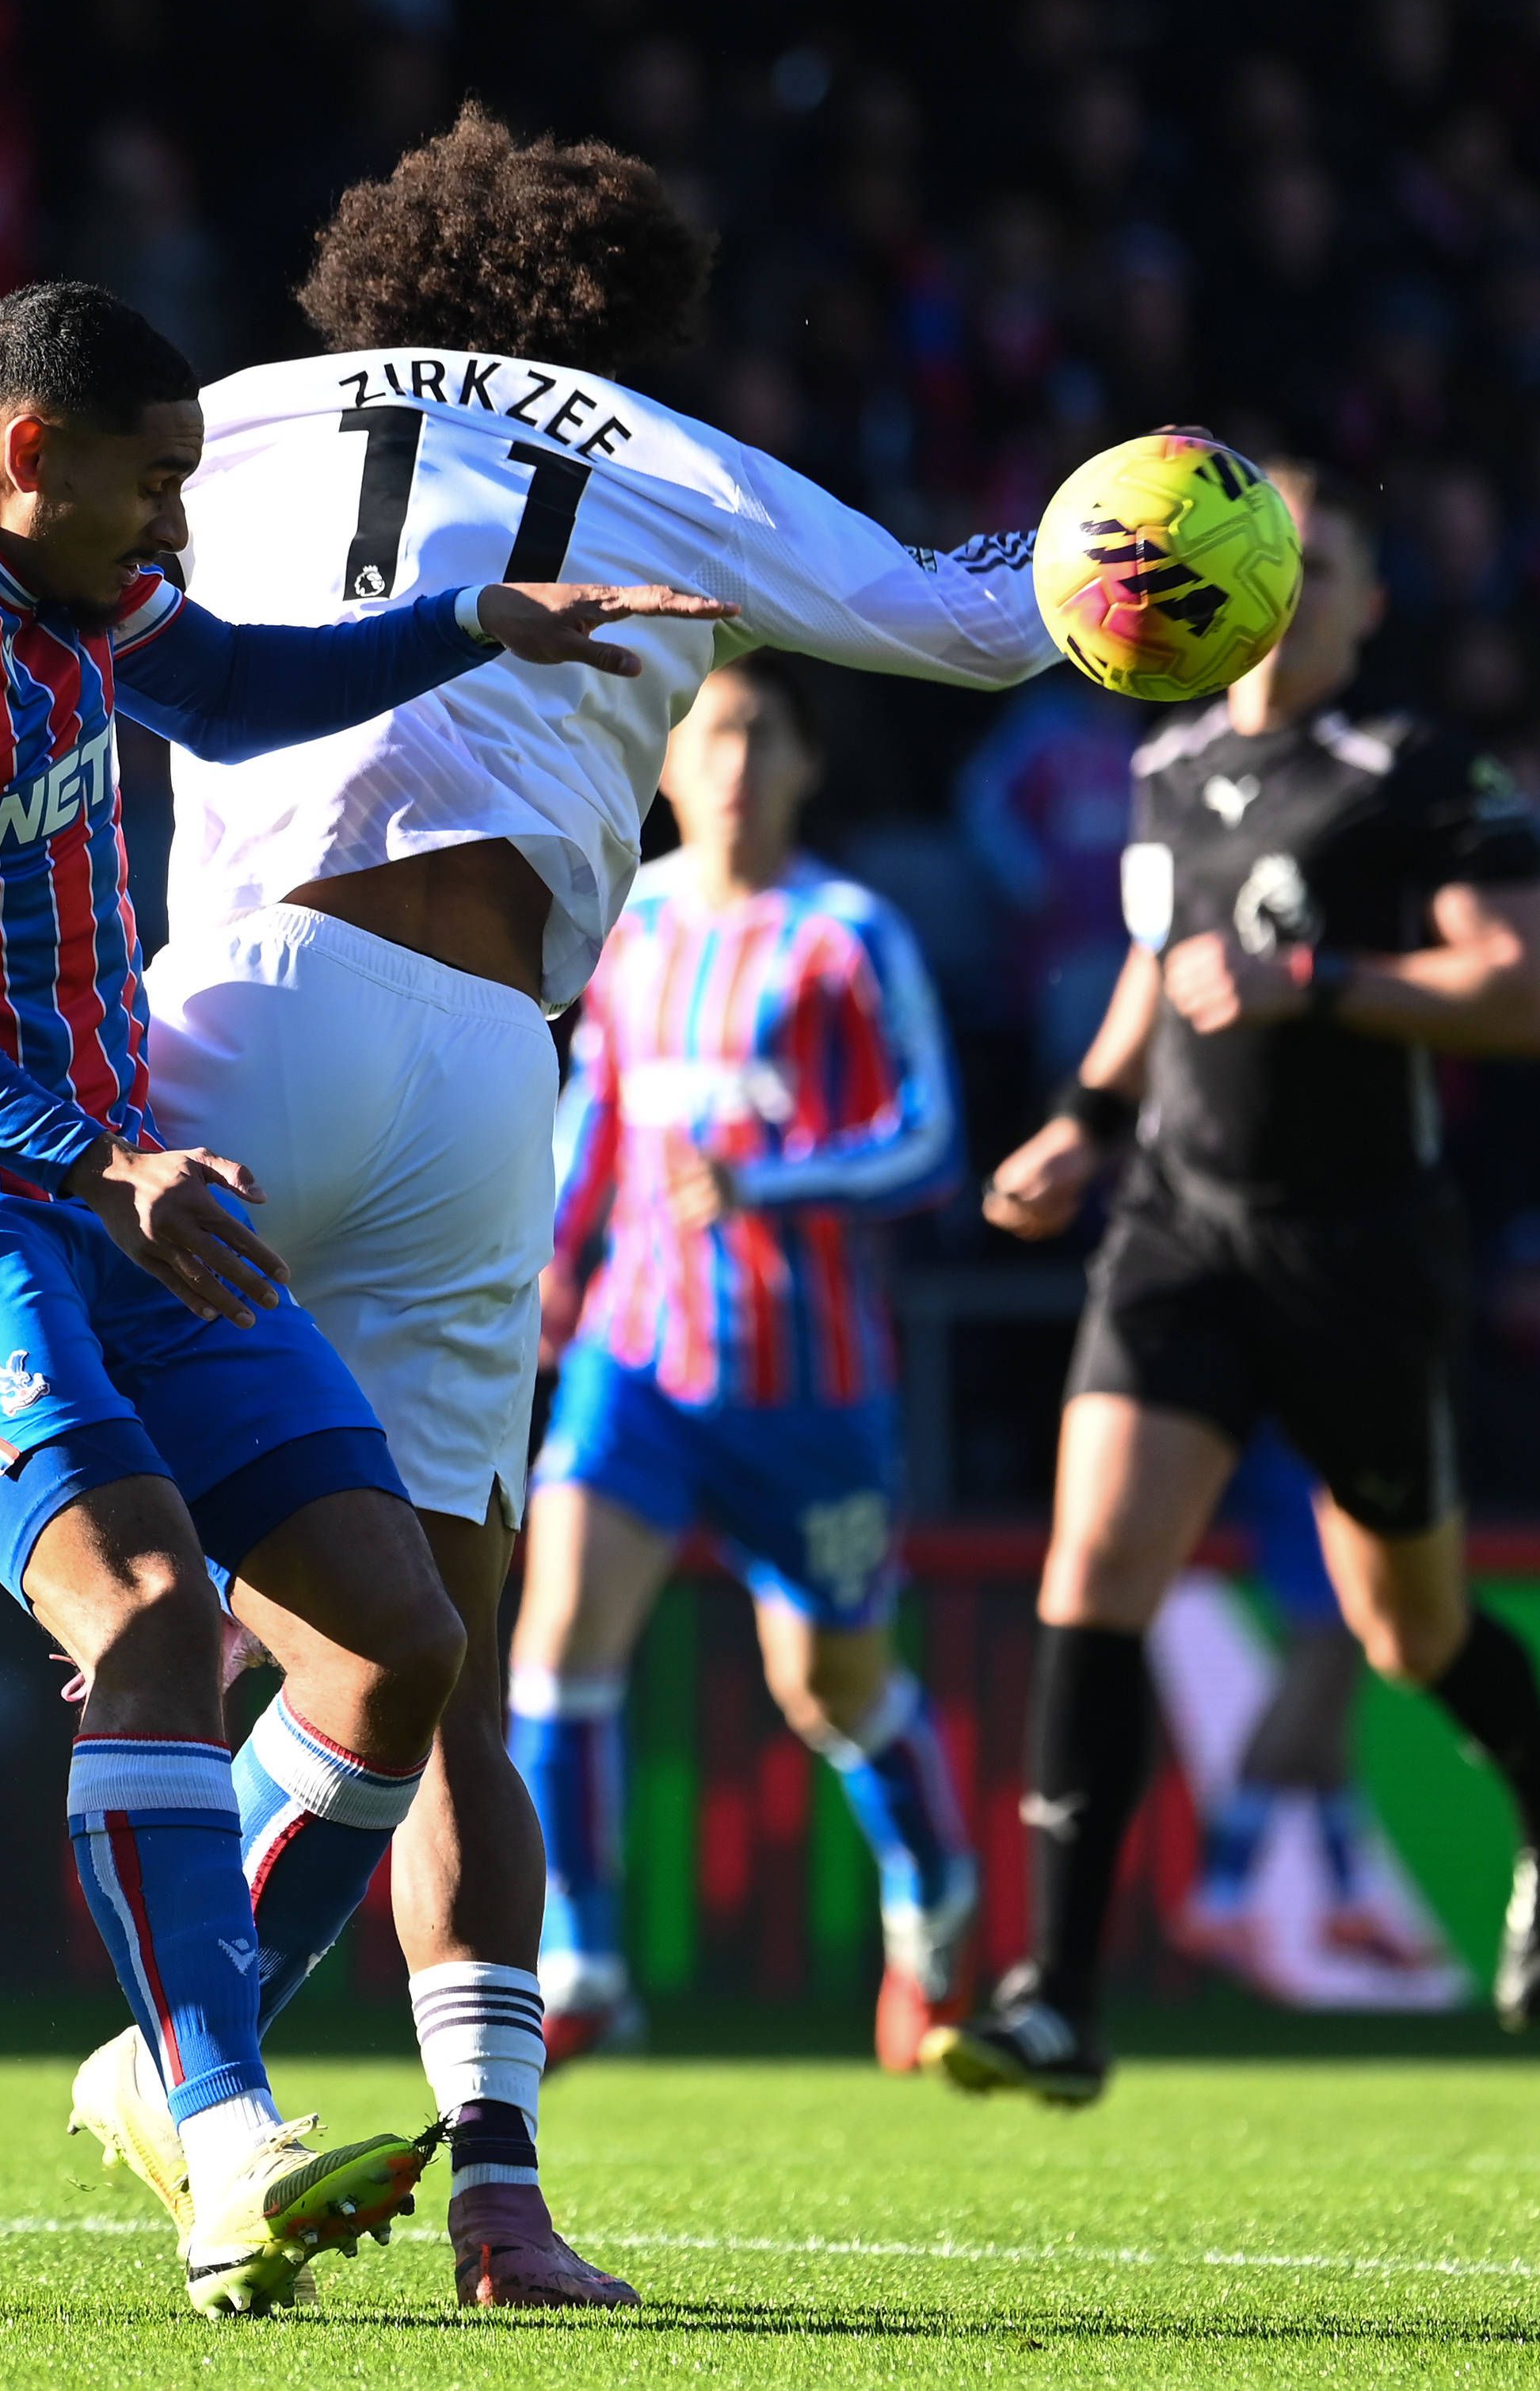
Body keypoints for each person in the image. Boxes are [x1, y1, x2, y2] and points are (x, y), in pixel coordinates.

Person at [0, 114, 1050, 2306]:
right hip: (493, 1071)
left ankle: (85, 1599)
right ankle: (495, 2190)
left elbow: (210, 680)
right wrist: (1129, 547)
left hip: (254, 1006)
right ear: (619, 315)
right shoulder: (665, 453)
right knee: (432, 1676)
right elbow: (969, 621)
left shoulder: (223, 416)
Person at [0, 277, 726, 2317]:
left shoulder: (56, 568)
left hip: (112, 1180)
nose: (174, 525)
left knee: (399, 1640)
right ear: (33, 454)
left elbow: (234, 691)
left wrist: (469, 622)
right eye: (153, 483)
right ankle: (224, 2134)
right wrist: (94, 1156)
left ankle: (175, 2073)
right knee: (153, 1609)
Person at [943, 463, 1540, 2104]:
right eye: (1264, 551)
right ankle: (1057, 1995)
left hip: (1358, 1248)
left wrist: (1314, 976)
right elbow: (1152, 969)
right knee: (1095, 1563)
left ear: (1368, 605)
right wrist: (1085, 1120)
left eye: (1323, 562)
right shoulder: (1164, 764)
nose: (1287, 581)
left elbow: (1522, 995)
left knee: (1404, 1627)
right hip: (1179, 1227)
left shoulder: (1421, 773)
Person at [518, 661, 974, 2076]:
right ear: (664, 763)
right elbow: (596, 1108)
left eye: (762, 735)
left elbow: (929, 1138)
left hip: (811, 1385)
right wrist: (553, 1260)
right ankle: (582, 1965)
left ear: (804, 765)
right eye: (710, 733)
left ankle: (934, 1907)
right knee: (556, 1645)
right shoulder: (631, 919)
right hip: (638, 1362)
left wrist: (769, 1180)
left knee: (829, 1687)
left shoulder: (848, 935)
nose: (732, 761)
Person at [1170, 1428, 1444, 1987]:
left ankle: (1348, 1903)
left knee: (1325, 1736)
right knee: (1298, 1718)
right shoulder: (1282, 1432)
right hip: (1314, 1545)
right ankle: (1220, 1901)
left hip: (1336, 1536)